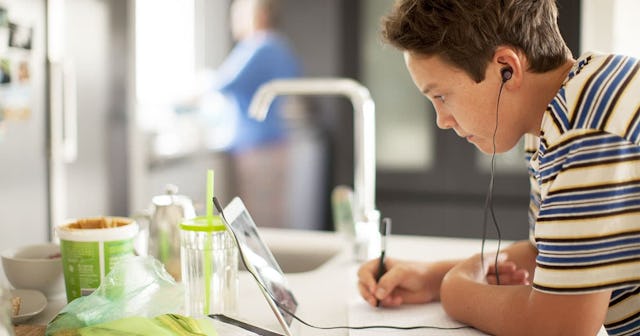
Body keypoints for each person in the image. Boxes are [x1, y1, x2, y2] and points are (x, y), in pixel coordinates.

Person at [357, 1, 640, 335]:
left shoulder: (590, 129)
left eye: (442, 96)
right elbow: (554, 255)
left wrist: (454, 290)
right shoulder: (565, 111)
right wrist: (433, 277)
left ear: (507, 68)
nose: (442, 120)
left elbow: (561, 326)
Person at [198, 0, 301, 228]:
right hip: (275, 140)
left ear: (261, 15)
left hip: (257, 145)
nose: (233, 21)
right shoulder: (282, 46)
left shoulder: (258, 46)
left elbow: (222, 83)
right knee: (272, 215)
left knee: (257, 219)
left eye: (240, 14)